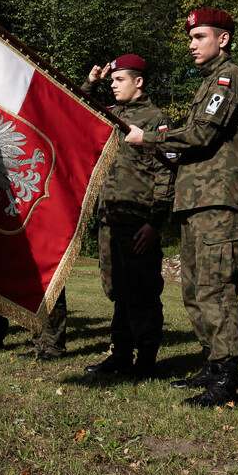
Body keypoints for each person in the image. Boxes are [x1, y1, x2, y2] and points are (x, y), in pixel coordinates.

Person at [126, 8, 238, 407]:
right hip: (197, 201)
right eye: (191, 37)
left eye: (200, 36)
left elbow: (201, 135)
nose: (192, 44)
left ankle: (226, 378)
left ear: (223, 39)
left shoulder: (228, 79)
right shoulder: (208, 84)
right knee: (195, 290)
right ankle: (211, 364)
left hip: (219, 202)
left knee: (216, 291)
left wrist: (149, 139)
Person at [80, 55, 175, 379]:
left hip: (138, 220)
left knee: (142, 291)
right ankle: (120, 354)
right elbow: (78, 113)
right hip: (110, 216)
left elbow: (166, 172)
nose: (113, 85)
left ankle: (146, 358)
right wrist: (91, 83)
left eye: (119, 80)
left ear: (139, 81)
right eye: (112, 80)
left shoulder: (155, 119)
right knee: (117, 290)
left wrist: (155, 222)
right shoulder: (111, 115)